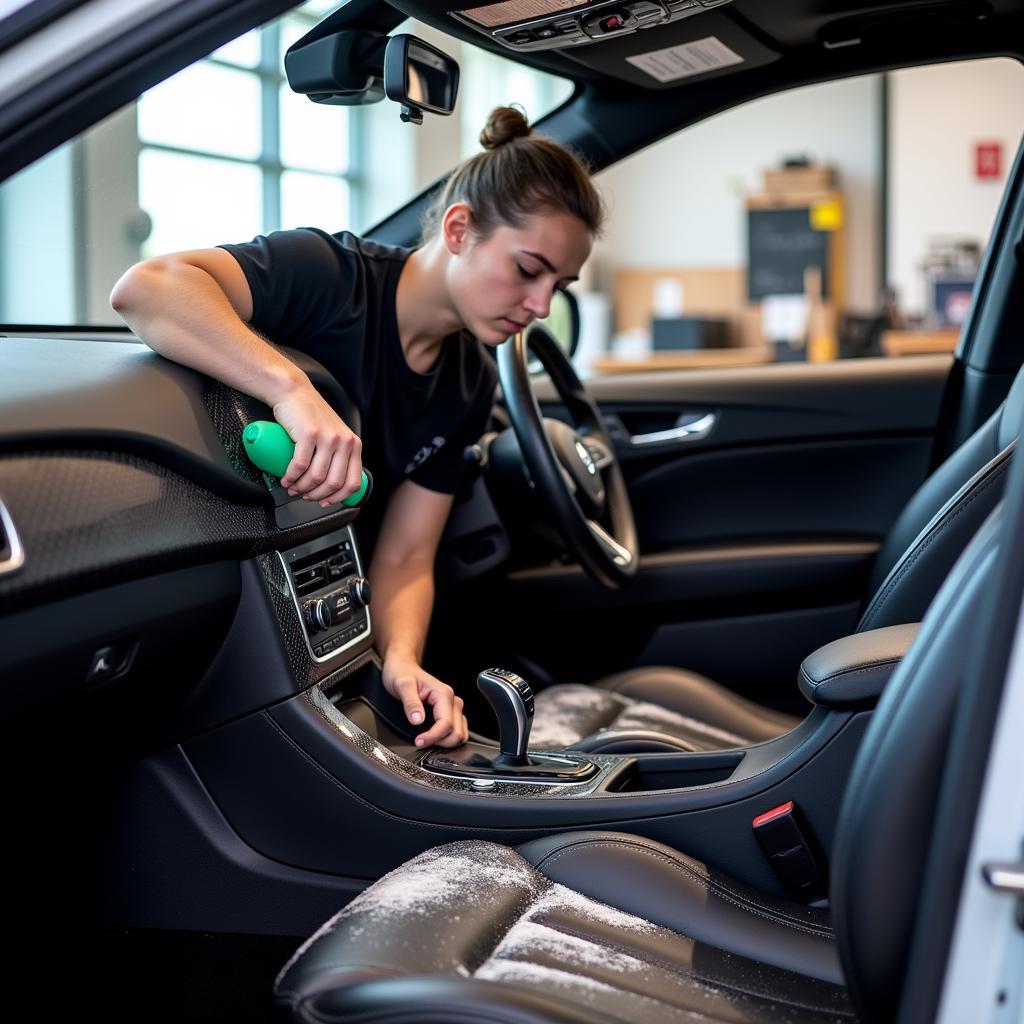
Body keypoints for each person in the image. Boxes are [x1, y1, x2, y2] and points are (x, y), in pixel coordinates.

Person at [110, 106, 604, 750]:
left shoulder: (471, 380)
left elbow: (406, 553)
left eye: (557, 285)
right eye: (528, 270)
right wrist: (292, 389)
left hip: (333, 616)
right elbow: (149, 288)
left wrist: (400, 658)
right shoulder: (329, 275)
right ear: (459, 229)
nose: (540, 306)